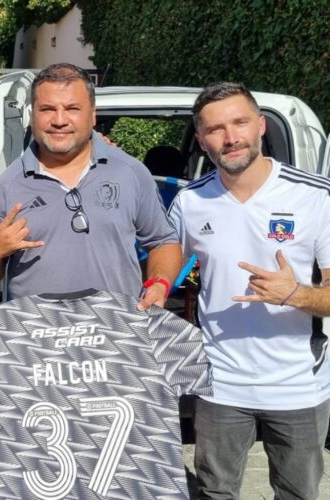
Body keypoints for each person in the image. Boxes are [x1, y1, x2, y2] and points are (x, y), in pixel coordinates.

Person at [168, 82, 330, 499]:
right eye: (216, 129)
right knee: (213, 492)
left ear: (260, 126)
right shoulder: (189, 202)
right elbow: (162, 267)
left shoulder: (314, 197)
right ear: (202, 141)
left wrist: (295, 294)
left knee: (298, 494)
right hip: (219, 384)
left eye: (240, 122)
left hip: (299, 385)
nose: (231, 137)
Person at [0, 62, 182, 308]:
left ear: (93, 114)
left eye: (72, 108)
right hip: (38, 341)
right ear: (33, 114)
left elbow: (163, 241)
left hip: (118, 336)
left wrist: (160, 283)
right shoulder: (5, 187)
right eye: (47, 109)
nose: (59, 120)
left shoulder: (130, 173)